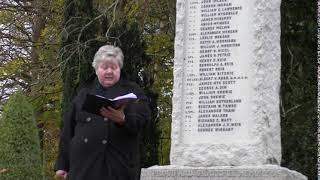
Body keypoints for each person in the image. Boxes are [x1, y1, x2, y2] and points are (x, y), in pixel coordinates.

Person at [54, 44, 151, 180]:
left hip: (118, 167)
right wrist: (62, 165)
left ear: (120, 69)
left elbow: (144, 118)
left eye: (114, 67)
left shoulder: (132, 91)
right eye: (104, 67)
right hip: (83, 168)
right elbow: (68, 131)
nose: (109, 71)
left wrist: (124, 119)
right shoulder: (83, 93)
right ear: (96, 69)